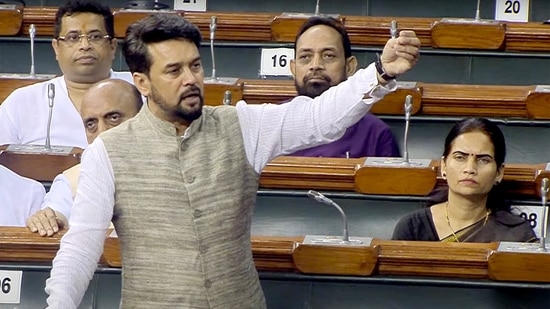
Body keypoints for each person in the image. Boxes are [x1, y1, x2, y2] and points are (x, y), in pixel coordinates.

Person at [45, 14, 420, 308]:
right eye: (174, 71)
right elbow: (81, 246)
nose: (191, 79)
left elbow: (320, 117)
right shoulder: (107, 152)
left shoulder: (242, 125)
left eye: (195, 66)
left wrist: (381, 73)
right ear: (142, 83)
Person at [0, 0, 132, 149]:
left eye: (95, 37)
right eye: (73, 38)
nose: (85, 46)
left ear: (113, 46)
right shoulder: (22, 102)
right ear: (56, 48)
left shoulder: (140, 91)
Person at [26, 79, 143, 237]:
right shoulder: (70, 181)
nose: (102, 133)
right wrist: (50, 219)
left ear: (143, 118)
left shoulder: (175, 167)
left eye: (114, 118)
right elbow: (57, 212)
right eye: (91, 124)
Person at [392, 117, 536, 243]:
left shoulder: (516, 234)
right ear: (443, 165)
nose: (470, 169)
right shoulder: (413, 227)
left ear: (499, 172)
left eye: (483, 160)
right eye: (460, 157)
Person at [288, 16, 400, 158]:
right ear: (293, 68)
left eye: (328, 55)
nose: (315, 65)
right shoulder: (274, 124)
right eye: (305, 57)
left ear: (349, 66)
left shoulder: (376, 133)